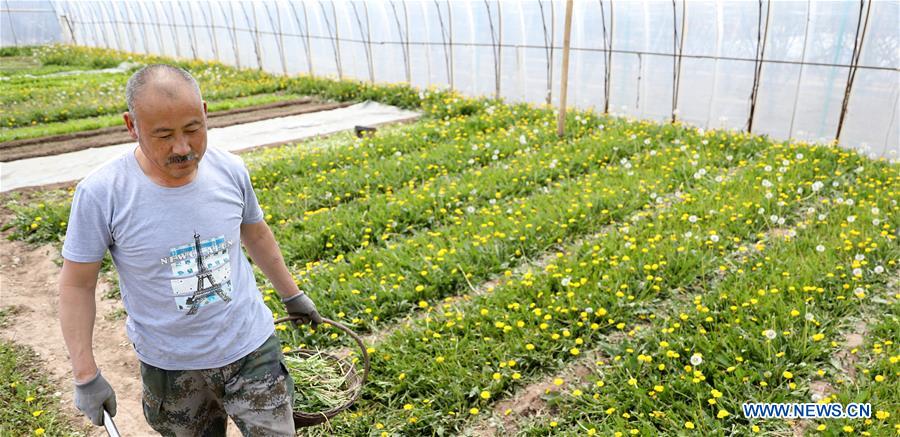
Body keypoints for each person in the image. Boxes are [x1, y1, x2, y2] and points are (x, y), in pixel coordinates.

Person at [58, 64, 321, 436]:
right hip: (172, 369)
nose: (182, 148)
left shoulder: (230, 170)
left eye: (193, 129)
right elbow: (76, 285)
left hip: (251, 349)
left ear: (206, 114)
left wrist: (291, 294)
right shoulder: (103, 194)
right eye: (163, 135)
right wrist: (85, 374)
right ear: (132, 126)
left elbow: (256, 234)